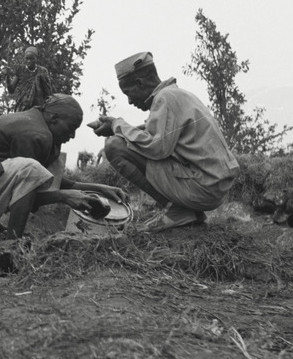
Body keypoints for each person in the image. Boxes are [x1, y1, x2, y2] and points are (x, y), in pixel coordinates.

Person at [89, 51, 240, 231]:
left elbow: (156, 148)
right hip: (213, 185)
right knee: (122, 140)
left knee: (114, 147)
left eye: (128, 93)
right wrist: (117, 127)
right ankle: (187, 211)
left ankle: (176, 209)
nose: (129, 101)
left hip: (203, 188)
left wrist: (116, 124)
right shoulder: (176, 95)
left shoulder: (165, 99)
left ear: (140, 83)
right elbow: (156, 130)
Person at [0, 94, 126, 239]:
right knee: (32, 169)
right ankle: (13, 245)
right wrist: (63, 196)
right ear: (54, 118)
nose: (72, 135)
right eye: (71, 128)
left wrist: (98, 188)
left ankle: (8, 237)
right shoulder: (37, 135)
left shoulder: (37, 123)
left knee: (46, 164)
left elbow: (46, 181)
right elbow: (30, 188)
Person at [5, 45, 53, 112]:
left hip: (38, 108)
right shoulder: (21, 70)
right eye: (27, 58)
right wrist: (7, 78)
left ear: (36, 59)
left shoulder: (42, 71)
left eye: (31, 59)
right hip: (22, 108)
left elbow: (48, 92)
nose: (29, 61)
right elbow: (11, 89)